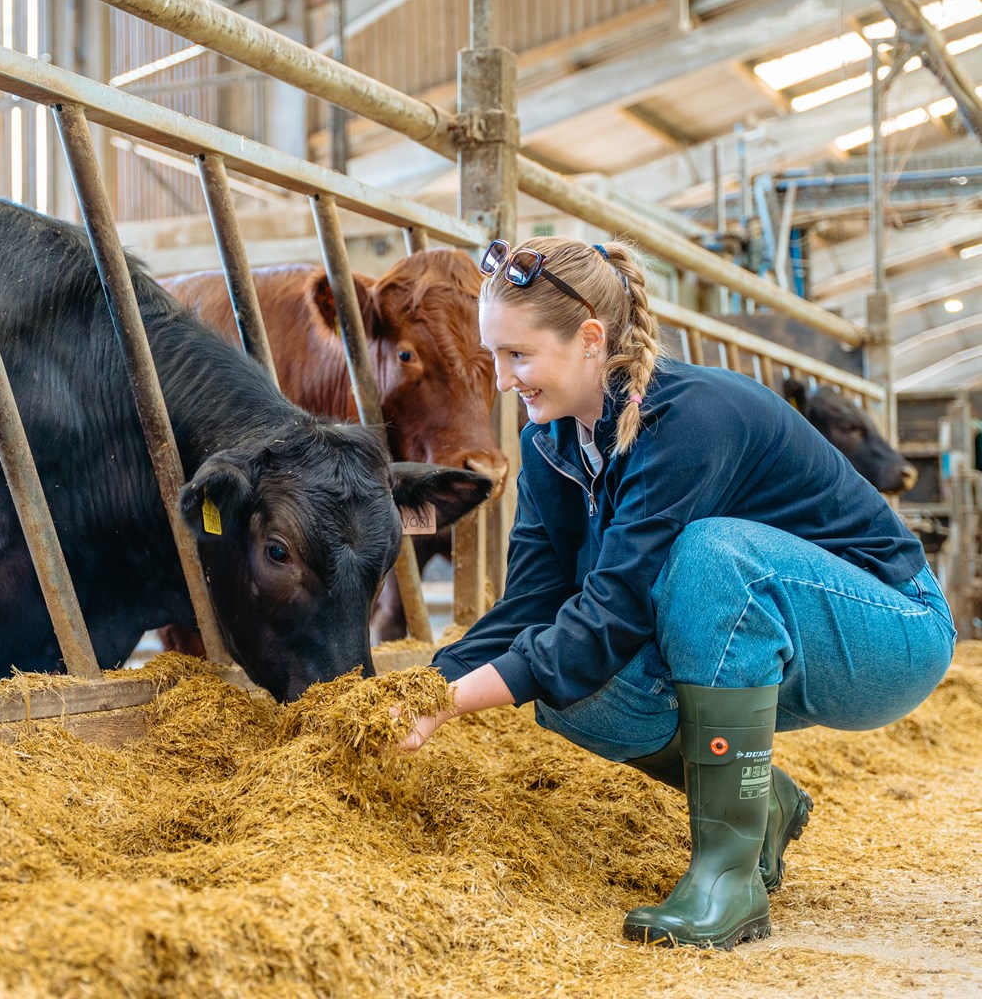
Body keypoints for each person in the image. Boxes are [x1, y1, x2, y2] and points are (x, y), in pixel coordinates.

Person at [397, 236, 956, 950]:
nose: (503, 381)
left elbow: (616, 609)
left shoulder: (690, 420)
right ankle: (763, 800)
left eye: (518, 355)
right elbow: (534, 605)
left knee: (711, 557)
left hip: (891, 630)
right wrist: (421, 691)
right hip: (771, 640)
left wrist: (454, 703)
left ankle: (730, 880)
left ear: (590, 340)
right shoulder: (552, 446)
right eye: (493, 357)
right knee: (569, 690)